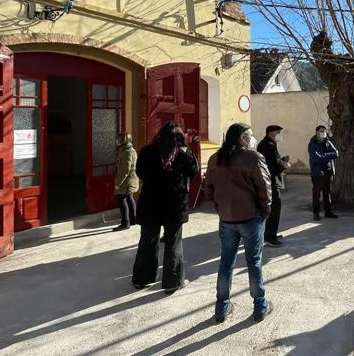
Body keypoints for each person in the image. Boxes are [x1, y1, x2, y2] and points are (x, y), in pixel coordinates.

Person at [205, 123, 274, 323]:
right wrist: (265, 212)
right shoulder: (253, 157)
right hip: (251, 218)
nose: (252, 139)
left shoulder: (214, 158)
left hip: (227, 219)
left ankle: (221, 307)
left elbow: (208, 187)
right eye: (249, 135)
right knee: (254, 262)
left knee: (226, 262)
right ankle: (260, 305)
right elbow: (265, 187)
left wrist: (220, 208)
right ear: (242, 138)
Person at [131, 122, 199, 294]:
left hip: (150, 203)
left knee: (148, 241)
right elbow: (194, 171)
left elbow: (139, 172)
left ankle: (142, 278)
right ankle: (172, 282)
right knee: (173, 243)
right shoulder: (183, 153)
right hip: (174, 205)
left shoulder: (147, 151)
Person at [257, 125, 289, 247]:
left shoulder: (269, 144)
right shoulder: (268, 146)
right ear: (271, 133)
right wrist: (285, 164)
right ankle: (270, 237)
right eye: (278, 132)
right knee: (274, 209)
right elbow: (273, 165)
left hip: (270, 179)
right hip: (270, 181)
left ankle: (271, 233)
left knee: (273, 208)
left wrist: (282, 159)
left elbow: (275, 160)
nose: (280, 134)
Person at [308, 125, 339, 220]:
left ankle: (328, 212)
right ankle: (316, 213)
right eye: (321, 131)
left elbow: (336, 153)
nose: (323, 133)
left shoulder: (327, 142)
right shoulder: (312, 144)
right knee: (317, 194)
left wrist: (325, 155)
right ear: (316, 132)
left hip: (328, 171)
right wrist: (328, 157)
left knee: (327, 192)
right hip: (317, 172)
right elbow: (315, 158)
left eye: (324, 131)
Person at [113, 132, 139, 231]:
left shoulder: (127, 152)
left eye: (120, 139)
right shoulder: (126, 150)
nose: (118, 141)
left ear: (125, 140)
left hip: (126, 182)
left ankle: (125, 223)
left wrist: (117, 184)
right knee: (129, 198)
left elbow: (125, 170)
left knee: (121, 200)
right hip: (129, 181)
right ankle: (133, 220)